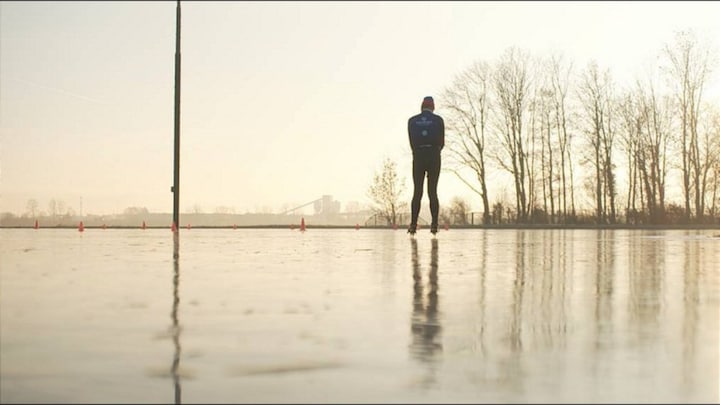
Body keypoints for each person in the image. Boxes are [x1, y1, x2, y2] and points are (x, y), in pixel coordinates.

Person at [407, 96, 444, 235]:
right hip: (434, 155)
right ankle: (434, 224)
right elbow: (442, 141)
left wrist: (417, 151)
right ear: (433, 107)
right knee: (432, 191)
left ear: (421, 107)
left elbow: (411, 140)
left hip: (419, 155)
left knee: (417, 191)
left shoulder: (412, 121)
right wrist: (435, 150)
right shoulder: (438, 120)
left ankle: (413, 224)